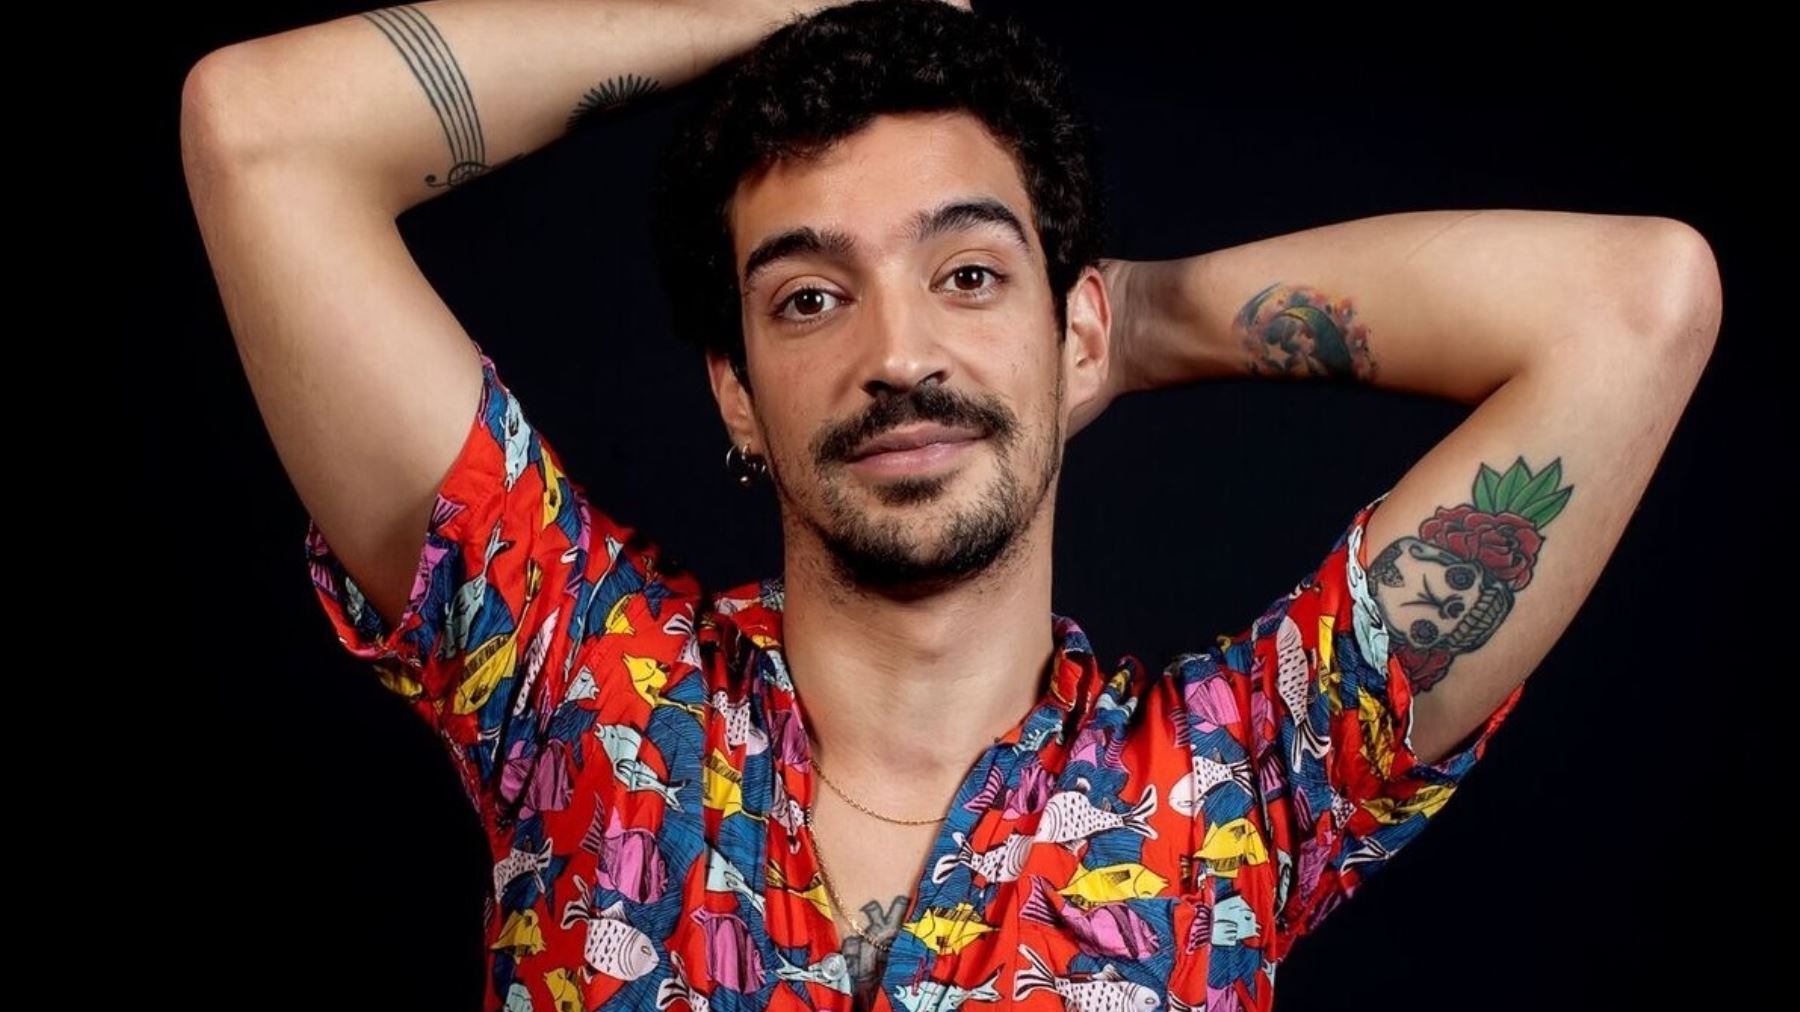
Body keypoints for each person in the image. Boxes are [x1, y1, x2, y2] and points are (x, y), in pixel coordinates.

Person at [178, 0, 1722, 1009]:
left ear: (1072, 331)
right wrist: (802, 17)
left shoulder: (1241, 789)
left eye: (970, 275)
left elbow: (1636, 301)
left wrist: (1129, 324)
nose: (899, 354)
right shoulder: (572, 680)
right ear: (735, 392)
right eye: (808, 298)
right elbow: (262, 132)